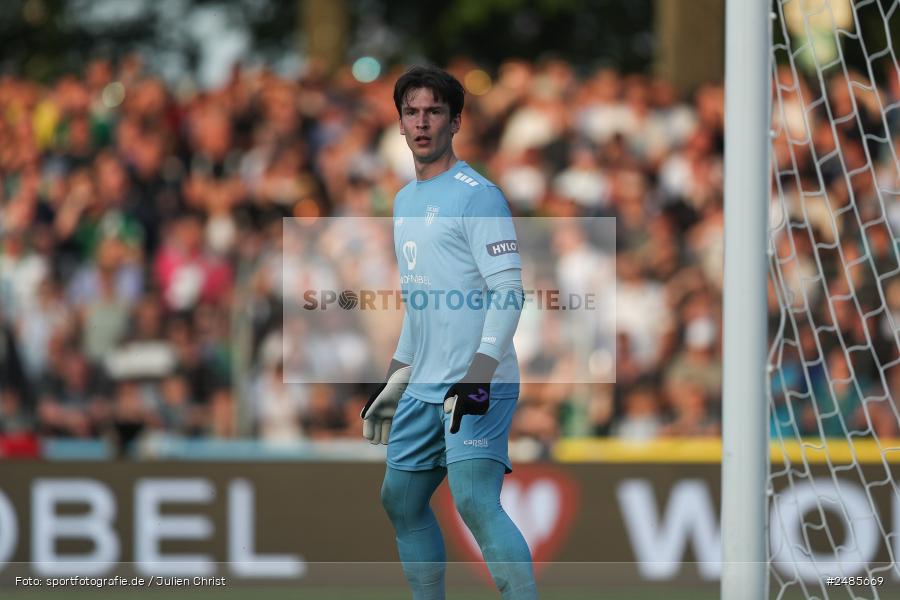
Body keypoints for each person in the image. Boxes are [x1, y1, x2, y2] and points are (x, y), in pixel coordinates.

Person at [360, 66, 537, 600]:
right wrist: (396, 375)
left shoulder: (478, 195)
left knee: (475, 501)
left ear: (455, 121)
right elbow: (421, 303)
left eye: (434, 111)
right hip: (424, 383)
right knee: (401, 501)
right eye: (411, 112)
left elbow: (510, 291)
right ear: (399, 123)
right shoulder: (403, 201)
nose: (422, 122)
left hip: (479, 379)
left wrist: (480, 373)